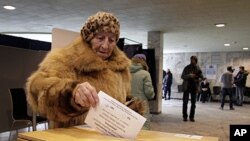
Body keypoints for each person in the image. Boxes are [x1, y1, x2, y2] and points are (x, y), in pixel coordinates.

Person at [26, 12, 145, 128]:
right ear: (89, 38)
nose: (105, 45)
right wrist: (71, 93)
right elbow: (37, 90)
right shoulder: (66, 59)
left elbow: (123, 98)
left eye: (111, 40)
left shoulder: (121, 68)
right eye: (100, 38)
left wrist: (129, 109)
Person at [130, 54, 155, 130]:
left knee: (129, 126)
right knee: (143, 127)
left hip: (128, 103)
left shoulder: (125, 72)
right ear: (143, 61)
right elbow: (149, 93)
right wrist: (152, 95)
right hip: (141, 104)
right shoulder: (145, 74)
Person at [181, 56, 203, 122]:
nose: (192, 61)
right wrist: (189, 75)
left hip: (194, 87)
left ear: (196, 60)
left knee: (193, 103)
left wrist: (199, 79)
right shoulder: (187, 67)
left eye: (193, 60)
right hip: (187, 87)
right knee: (185, 102)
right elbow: (182, 76)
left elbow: (201, 77)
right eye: (191, 59)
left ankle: (191, 117)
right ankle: (185, 116)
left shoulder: (198, 68)